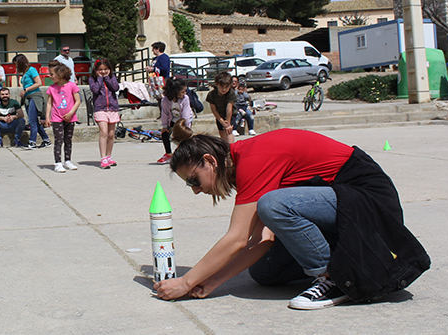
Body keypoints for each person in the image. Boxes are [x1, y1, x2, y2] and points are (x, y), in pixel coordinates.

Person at [154, 128, 430, 310]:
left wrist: (186, 282)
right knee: (265, 272)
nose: (195, 190)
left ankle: (334, 278)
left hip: (367, 201)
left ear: (210, 161)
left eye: (193, 179)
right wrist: (214, 282)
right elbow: (262, 240)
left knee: (273, 205)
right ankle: (347, 260)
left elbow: (237, 239)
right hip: (342, 206)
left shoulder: (253, 158)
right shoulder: (241, 164)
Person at [44, 64, 81, 173]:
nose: (50, 76)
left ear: (60, 75)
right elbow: (49, 103)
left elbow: (78, 101)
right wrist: (47, 117)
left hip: (70, 117)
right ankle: (58, 163)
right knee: (58, 140)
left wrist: (70, 113)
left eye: (52, 74)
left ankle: (68, 160)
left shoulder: (72, 86)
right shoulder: (51, 88)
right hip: (56, 118)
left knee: (68, 140)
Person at [12, 54, 49, 148]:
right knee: (35, 121)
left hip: (34, 96)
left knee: (32, 120)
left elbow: (38, 83)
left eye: (16, 64)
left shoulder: (31, 70)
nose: (15, 66)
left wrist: (26, 90)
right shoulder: (24, 73)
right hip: (28, 97)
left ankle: (32, 141)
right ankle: (46, 139)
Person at [88, 59, 119, 169]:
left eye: (105, 69)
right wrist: (100, 79)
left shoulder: (112, 78)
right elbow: (95, 90)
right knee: (104, 132)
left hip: (112, 108)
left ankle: (109, 156)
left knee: (111, 134)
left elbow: (115, 88)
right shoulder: (93, 79)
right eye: (100, 70)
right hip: (100, 109)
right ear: (96, 70)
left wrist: (107, 78)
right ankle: (103, 158)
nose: (103, 71)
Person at [158, 78, 193, 164]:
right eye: (182, 91)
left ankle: (186, 154)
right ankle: (168, 154)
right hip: (173, 119)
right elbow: (165, 113)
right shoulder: (165, 100)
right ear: (175, 92)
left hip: (184, 121)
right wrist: (165, 126)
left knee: (183, 137)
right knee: (165, 134)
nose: (185, 93)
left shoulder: (185, 98)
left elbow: (186, 114)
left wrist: (185, 128)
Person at [206, 71, 236, 144]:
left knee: (228, 131)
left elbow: (229, 108)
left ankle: (231, 148)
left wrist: (227, 123)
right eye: (221, 86)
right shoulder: (211, 94)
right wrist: (222, 122)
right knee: (222, 133)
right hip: (219, 115)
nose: (224, 89)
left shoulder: (231, 93)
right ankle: (225, 148)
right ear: (216, 84)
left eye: (227, 87)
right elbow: (214, 110)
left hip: (231, 114)